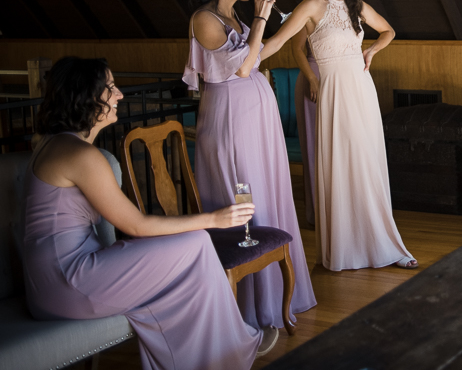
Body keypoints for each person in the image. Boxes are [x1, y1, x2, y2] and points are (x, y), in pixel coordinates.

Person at [24, 57, 276, 370]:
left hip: (54, 280)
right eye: (111, 88)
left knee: (192, 250)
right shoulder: (79, 155)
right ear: (87, 96)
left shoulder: (60, 145)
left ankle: (220, 350)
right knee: (196, 242)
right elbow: (136, 225)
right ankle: (232, 348)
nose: (119, 95)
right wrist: (215, 219)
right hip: (67, 282)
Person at [183, 0, 316, 329]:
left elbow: (261, 54)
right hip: (230, 121)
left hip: (256, 120)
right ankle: (252, 302)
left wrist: (289, 25)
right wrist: (259, 18)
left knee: (268, 190)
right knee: (244, 192)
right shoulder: (204, 19)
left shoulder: (233, 17)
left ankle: (277, 292)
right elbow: (242, 67)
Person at [280, 0, 417, 271]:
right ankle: (343, 250)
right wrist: (252, 57)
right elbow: (285, 41)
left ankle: (385, 242)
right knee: (340, 163)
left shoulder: (358, 6)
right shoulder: (313, 5)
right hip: (332, 90)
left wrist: (371, 51)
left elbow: (389, 30)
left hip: (360, 89)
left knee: (367, 161)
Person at [291, 26, 318, 226]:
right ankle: (318, 213)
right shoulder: (308, 9)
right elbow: (297, 48)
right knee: (315, 147)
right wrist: (311, 78)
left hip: (343, 80)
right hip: (314, 78)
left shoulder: (352, 6)